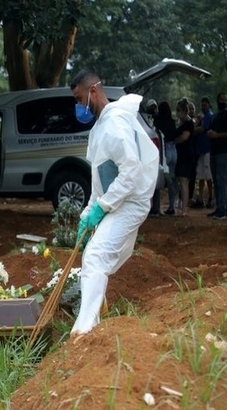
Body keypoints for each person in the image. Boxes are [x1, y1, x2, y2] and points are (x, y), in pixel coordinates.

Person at [70, 69, 158, 335]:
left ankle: (84, 331)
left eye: (78, 98)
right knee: (92, 255)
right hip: (118, 200)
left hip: (131, 201)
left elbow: (131, 172)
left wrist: (102, 208)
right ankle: (97, 314)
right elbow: (100, 180)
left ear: (93, 92)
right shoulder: (100, 128)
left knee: (96, 256)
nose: (77, 106)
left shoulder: (116, 123)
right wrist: (88, 214)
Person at [154, 101, 178, 215]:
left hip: (164, 150)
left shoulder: (158, 120)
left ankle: (156, 207)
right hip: (174, 149)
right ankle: (172, 206)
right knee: (172, 179)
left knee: (159, 177)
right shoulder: (172, 121)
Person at [174, 98, 196, 216]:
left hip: (186, 155)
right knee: (181, 181)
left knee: (184, 181)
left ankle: (184, 209)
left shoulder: (188, 123)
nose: (177, 113)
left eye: (179, 110)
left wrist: (174, 141)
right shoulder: (181, 122)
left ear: (184, 111)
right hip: (181, 154)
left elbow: (184, 137)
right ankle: (182, 206)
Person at [191, 97, 214, 208]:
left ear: (209, 105)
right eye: (202, 105)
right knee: (200, 175)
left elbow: (202, 129)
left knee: (208, 175)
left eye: (205, 105)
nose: (203, 107)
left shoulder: (209, 116)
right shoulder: (203, 116)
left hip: (207, 149)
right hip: (201, 150)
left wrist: (193, 128)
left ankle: (210, 197)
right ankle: (200, 198)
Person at [207, 92, 227, 220]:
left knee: (221, 180)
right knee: (216, 180)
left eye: (225, 99)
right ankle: (219, 207)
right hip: (213, 151)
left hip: (223, 151)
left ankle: (222, 209)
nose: (223, 101)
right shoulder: (215, 115)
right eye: (221, 99)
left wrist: (217, 135)